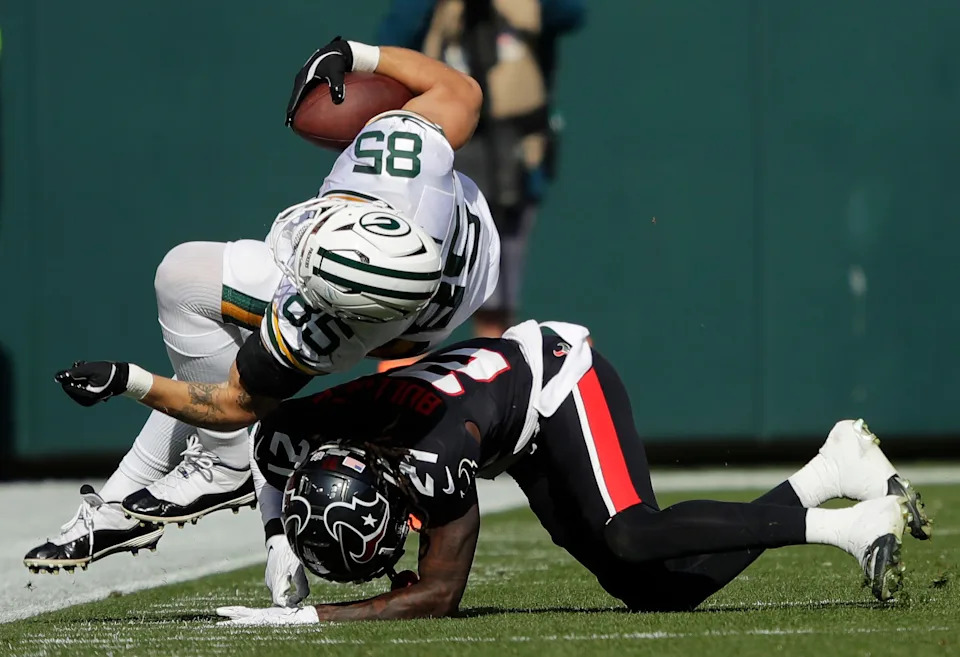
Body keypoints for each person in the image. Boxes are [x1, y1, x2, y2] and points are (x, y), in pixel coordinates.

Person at [25, 38, 501, 578]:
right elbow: (460, 88)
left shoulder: (330, 321)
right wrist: (358, 54)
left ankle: (224, 466)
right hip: (454, 269)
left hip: (400, 319)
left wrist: (128, 379)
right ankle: (116, 505)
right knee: (206, 347)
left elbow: (233, 404)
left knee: (183, 280)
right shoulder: (404, 159)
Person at [212, 320, 931, 624]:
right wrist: (277, 536)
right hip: (510, 427)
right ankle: (833, 468)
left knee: (628, 533)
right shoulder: (337, 424)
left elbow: (439, 594)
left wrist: (312, 615)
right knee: (655, 592)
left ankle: (849, 526)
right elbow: (271, 430)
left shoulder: (430, 457)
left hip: (556, 378)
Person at [378, 0, 585, 342]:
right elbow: (391, 40)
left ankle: (493, 382)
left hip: (514, 162)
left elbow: (571, 14)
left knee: (495, 301)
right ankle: (399, 391)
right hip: (439, 161)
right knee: (412, 296)